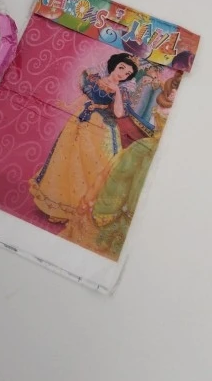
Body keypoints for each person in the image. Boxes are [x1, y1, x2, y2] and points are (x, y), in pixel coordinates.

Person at [29, 53, 138, 226]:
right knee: (68, 157)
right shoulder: (96, 80)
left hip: (100, 125)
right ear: (114, 66)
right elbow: (85, 98)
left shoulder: (121, 91)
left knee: (94, 162)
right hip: (80, 119)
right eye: (121, 68)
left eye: (127, 73)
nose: (122, 74)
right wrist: (69, 106)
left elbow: (118, 113)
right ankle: (63, 205)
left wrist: (117, 91)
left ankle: (87, 208)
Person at [91, 77, 176, 258]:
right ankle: (112, 225)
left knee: (141, 188)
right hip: (147, 148)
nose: (174, 92)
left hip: (162, 153)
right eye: (174, 88)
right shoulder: (162, 107)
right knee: (123, 180)